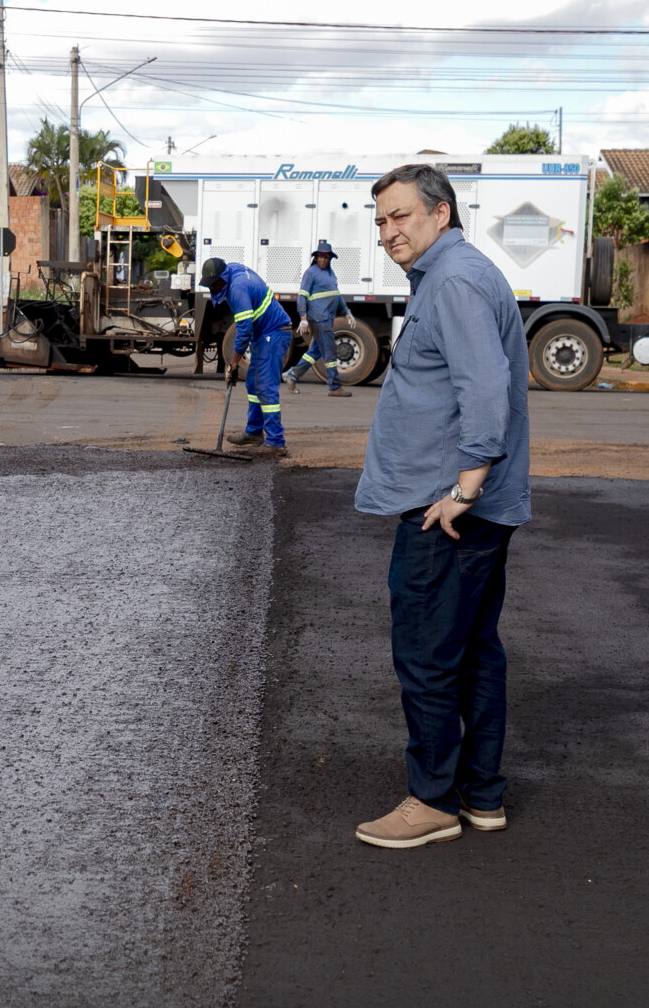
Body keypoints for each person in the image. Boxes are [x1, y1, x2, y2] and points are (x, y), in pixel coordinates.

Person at [351, 163, 531, 849]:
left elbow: (485, 392)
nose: (388, 231)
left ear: (440, 213)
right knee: (474, 651)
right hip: (467, 503)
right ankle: (481, 795)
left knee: (427, 653)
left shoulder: (452, 281)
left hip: (447, 509)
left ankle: (430, 802)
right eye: (381, 221)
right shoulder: (457, 274)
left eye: (400, 216)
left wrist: (462, 490)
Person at [202, 256, 292, 458]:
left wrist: (233, 363)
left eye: (214, 285)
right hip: (264, 334)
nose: (213, 289)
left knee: (265, 386)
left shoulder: (237, 290)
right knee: (253, 382)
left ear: (222, 279)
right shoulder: (232, 270)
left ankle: (276, 442)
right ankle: (253, 432)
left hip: (275, 333)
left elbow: (243, 330)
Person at [284, 241, 355, 397]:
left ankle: (292, 374)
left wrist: (347, 312)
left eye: (326, 257)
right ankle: (334, 386)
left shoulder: (330, 274)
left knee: (315, 351)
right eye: (321, 257)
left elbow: (337, 295)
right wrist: (303, 318)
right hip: (319, 318)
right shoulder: (311, 273)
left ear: (330, 258)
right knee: (330, 353)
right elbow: (302, 296)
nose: (323, 259)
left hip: (327, 319)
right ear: (316, 258)